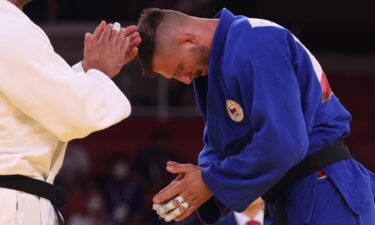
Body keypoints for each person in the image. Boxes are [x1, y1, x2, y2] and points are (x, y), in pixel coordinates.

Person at [136, 8, 375, 225]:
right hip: (287, 196)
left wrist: (211, 181)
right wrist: (196, 185)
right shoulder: (220, 62)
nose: (185, 80)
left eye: (179, 69)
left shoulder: (255, 43)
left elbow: (284, 143)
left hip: (324, 188)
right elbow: (221, 144)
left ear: (188, 40)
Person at [0, 0, 141, 224]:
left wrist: (87, 70)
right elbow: (75, 114)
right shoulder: (8, 26)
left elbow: (36, 101)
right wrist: (99, 71)